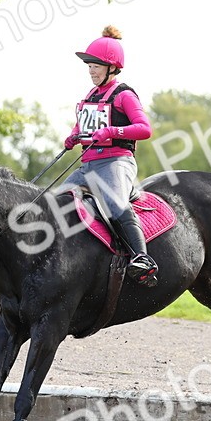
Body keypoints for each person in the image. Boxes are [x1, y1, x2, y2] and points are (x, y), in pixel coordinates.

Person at [61, 26, 158, 287]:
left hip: (116, 161)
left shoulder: (124, 94)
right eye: (89, 66)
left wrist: (112, 131)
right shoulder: (91, 95)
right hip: (88, 165)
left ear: (112, 68)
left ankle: (142, 259)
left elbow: (144, 128)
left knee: (115, 203)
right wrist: (74, 135)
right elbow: (84, 126)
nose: (91, 71)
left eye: (96, 66)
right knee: (56, 203)